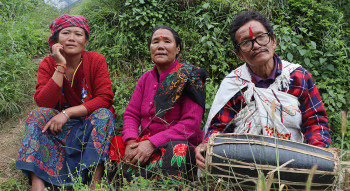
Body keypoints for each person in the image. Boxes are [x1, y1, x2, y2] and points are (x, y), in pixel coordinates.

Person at [195, 10, 331, 170]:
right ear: (239, 54)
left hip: (294, 164)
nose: (256, 46)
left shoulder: (297, 77)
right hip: (242, 166)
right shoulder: (234, 85)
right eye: (246, 42)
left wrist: (318, 155)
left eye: (261, 37)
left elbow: (315, 122)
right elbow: (219, 129)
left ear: (273, 40)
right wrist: (207, 145)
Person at [16, 14, 115, 190]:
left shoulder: (96, 60)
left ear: (85, 40)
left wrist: (67, 113)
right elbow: (43, 102)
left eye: (78, 34)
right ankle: (37, 185)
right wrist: (60, 66)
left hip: (88, 123)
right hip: (58, 127)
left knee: (105, 114)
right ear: (55, 40)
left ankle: (95, 184)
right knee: (37, 115)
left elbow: (105, 98)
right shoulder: (47, 64)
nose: (71, 38)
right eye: (65, 33)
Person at [109, 25, 206, 182]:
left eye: (167, 41)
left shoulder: (191, 77)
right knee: (115, 143)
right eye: (155, 42)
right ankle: (127, 180)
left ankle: (155, 182)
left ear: (178, 49)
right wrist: (132, 141)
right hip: (143, 142)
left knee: (179, 151)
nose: (160, 46)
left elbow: (191, 125)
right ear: (150, 48)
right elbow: (131, 114)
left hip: (173, 144)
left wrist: (152, 143)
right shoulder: (145, 79)